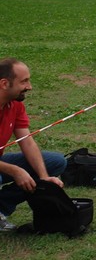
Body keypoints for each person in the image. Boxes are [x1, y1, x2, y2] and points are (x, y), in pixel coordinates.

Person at [0, 58, 67, 231]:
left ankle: (0, 209)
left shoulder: (14, 105)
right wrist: (15, 170)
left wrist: (43, 177)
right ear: (5, 83)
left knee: (55, 162)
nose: (29, 86)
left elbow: (27, 142)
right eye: (24, 81)